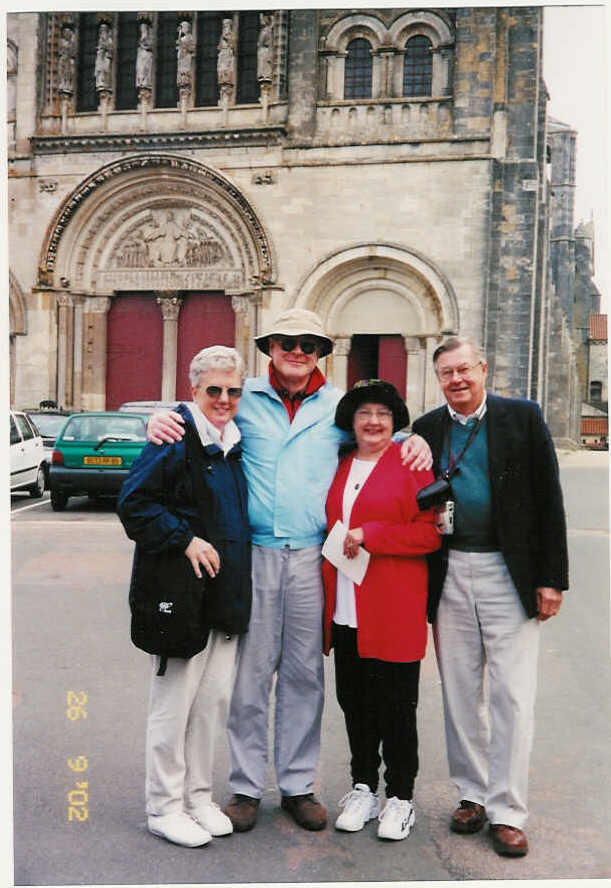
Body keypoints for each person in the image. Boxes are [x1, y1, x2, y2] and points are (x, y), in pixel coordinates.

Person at [147, 308, 432, 833]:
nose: (296, 350)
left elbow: (376, 440)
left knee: (304, 674)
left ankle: (299, 786)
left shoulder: (337, 406)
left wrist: (413, 439)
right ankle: (247, 787)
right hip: (253, 554)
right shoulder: (243, 397)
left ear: (321, 350)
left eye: (307, 343)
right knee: (250, 675)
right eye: (285, 341)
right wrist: (159, 417)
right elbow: (201, 409)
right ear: (270, 347)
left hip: (311, 556)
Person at [411, 337, 568, 858]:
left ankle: (507, 811)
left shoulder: (521, 417)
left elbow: (549, 499)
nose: (456, 380)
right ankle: (471, 795)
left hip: (509, 571)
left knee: (512, 695)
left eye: (464, 370)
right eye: (446, 373)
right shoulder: (427, 429)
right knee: (459, 692)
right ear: (438, 380)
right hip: (450, 569)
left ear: (484, 368)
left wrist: (551, 579)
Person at [117, 346, 252, 848]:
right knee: (174, 706)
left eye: (232, 390)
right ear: (194, 389)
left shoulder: (233, 440)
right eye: (213, 389)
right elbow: (134, 504)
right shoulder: (174, 436)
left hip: (223, 595)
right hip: (180, 594)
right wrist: (184, 539)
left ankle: (198, 797)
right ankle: (164, 806)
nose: (223, 398)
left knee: (211, 703)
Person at [322, 380, 441, 840]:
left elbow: (430, 534)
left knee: (395, 707)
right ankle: (363, 788)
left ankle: (401, 798)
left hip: (393, 606)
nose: (373, 422)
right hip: (347, 605)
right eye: (364, 414)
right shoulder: (341, 463)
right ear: (351, 423)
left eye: (383, 415)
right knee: (355, 703)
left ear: (395, 424)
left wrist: (373, 533)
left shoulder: (412, 465)